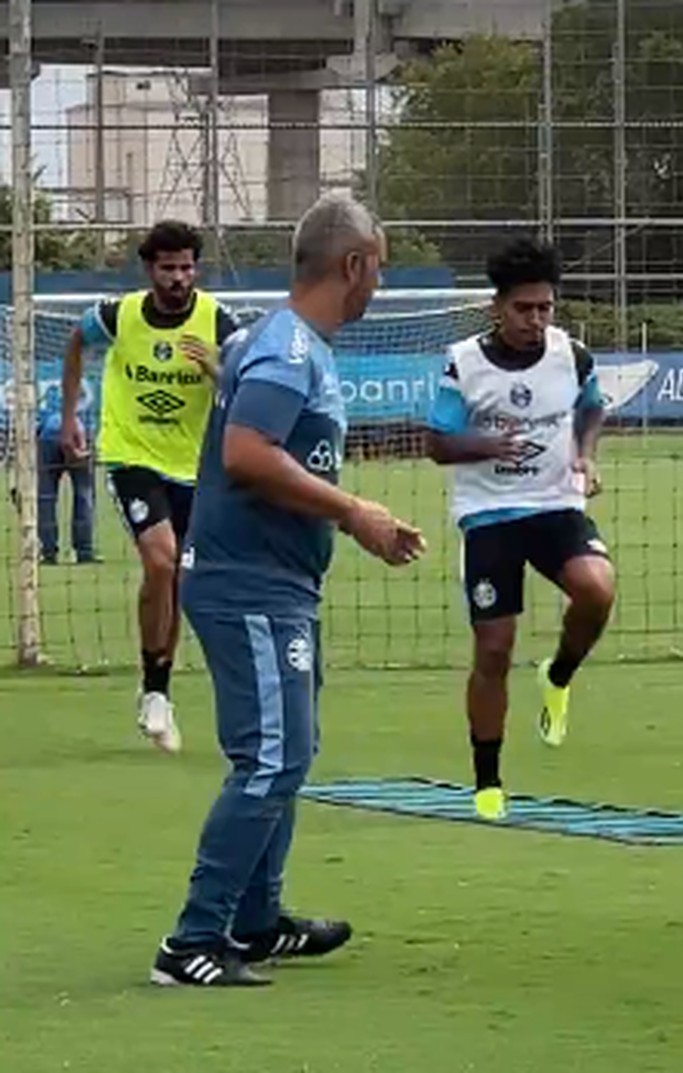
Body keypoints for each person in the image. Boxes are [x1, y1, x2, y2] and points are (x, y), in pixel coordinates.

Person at [150, 194, 426, 988]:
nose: (379, 283)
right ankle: (191, 941)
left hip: (278, 582)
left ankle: (257, 921)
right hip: (249, 586)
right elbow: (245, 452)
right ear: (353, 265)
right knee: (271, 757)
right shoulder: (289, 351)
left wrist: (342, 520)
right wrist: (355, 510)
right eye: (378, 266)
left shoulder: (285, 342)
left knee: (289, 753)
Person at [425, 237, 616, 822]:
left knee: (597, 589)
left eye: (545, 308)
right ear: (496, 309)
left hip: (555, 506)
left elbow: (591, 407)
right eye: (524, 309)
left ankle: (557, 677)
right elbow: (436, 443)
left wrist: (585, 455)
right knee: (494, 647)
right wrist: (485, 443)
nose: (536, 320)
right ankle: (488, 781)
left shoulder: (572, 355)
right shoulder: (464, 363)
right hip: (490, 516)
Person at [60, 221, 240, 754]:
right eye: (168, 268)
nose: (179, 277)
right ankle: (155, 689)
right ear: (149, 270)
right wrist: (71, 416)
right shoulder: (120, 315)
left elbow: (244, 380)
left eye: (187, 267)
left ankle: (156, 689)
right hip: (131, 455)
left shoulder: (217, 321)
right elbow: (75, 341)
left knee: (177, 578)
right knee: (160, 561)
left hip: (193, 467)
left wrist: (215, 368)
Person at [36, 379, 98, 565]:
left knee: (46, 497)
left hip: (47, 437)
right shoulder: (85, 387)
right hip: (76, 433)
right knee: (84, 495)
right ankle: (84, 551)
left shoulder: (43, 397)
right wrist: (81, 450)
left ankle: (48, 552)